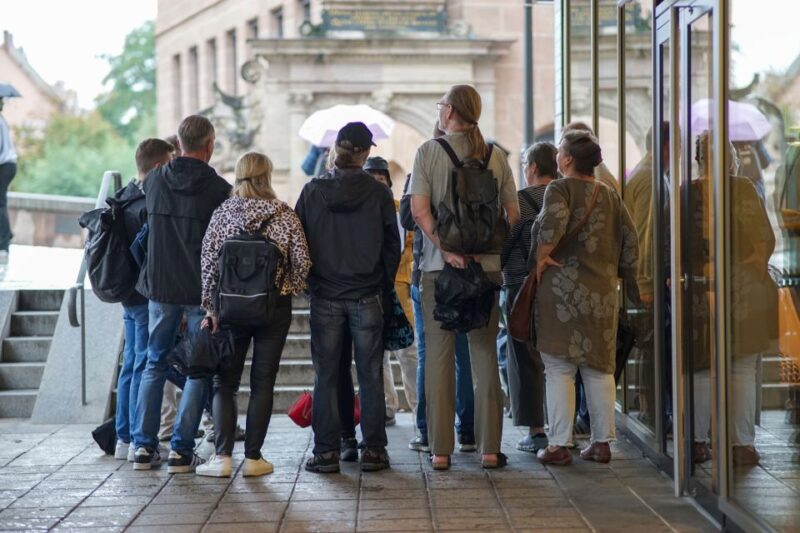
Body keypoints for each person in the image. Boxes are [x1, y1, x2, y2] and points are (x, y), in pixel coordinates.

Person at [410, 84, 520, 470]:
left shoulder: (428, 152)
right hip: (487, 269)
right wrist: (485, 251)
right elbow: (514, 214)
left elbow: (419, 211)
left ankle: (441, 452)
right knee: (485, 354)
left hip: (440, 270)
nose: (439, 110)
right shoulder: (496, 156)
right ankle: (490, 449)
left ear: (450, 111)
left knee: (439, 359)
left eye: (441, 104)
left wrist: (448, 247)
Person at [196, 152, 311, 477]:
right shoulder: (284, 214)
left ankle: (222, 458)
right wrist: (285, 287)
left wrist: (210, 307)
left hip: (229, 309)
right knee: (263, 383)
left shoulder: (222, 214)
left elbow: (207, 263)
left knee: (225, 382)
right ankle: (255, 459)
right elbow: (302, 262)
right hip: (272, 309)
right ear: (267, 175)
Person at [296, 122, 400, 473]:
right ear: (365, 153)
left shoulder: (312, 191)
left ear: (335, 151)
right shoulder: (379, 194)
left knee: (326, 373)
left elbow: (299, 244)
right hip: (367, 295)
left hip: (325, 294)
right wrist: (382, 285)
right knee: (370, 373)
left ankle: (327, 451)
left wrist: (312, 283)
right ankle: (374, 450)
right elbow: (391, 246)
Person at [131, 115, 232, 472]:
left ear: (178, 143)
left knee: (153, 361)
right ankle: (180, 450)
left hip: (159, 286)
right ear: (210, 145)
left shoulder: (156, 179)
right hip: (200, 290)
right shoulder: (219, 189)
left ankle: (143, 447)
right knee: (197, 369)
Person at [533, 130, 639, 466]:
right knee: (599, 368)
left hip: (562, 293)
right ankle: (602, 442)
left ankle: (559, 445)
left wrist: (542, 255)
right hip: (602, 293)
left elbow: (553, 223)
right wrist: (622, 277)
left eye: (561, 152)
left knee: (560, 368)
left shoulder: (559, 188)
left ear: (566, 159)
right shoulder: (609, 195)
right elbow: (631, 240)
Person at [690, 131, 774, 466]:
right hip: (743, 289)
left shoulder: (687, 192)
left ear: (698, 159)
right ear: (729, 157)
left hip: (697, 287)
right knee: (741, 368)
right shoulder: (743, 189)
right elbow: (763, 240)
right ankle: (742, 445)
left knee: (700, 367)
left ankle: (697, 442)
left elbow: (672, 243)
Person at [400, 173, 476, 453]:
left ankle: (426, 431)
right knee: (463, 356)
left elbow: (407, 219)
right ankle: (468, 432)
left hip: (428, 276)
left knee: (428, 356)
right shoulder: (471, 171)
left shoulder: (421, 174)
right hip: (467, 274)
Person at [113, 138, 175, 462]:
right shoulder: (148, 201)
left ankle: (123, 436)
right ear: (157, 167)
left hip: (125, 291)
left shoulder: (121, 198)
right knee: (141, 363)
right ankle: (136, 436)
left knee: (130, 364)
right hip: (143, 292)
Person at [501, 142, 558, 453]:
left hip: (522, 286)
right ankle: (563, 426)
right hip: (559, 286)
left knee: (525, 356)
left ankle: (536, 430)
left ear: (533, 168)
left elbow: (506, 242)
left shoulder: (522, 201)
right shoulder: (565, 198)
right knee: (558, 359)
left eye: (525, 164)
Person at [364, 156, 418, 424]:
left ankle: (418, 406)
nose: (377, 185)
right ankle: (387, 406)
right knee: (377, 352)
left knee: (408, 352)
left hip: (400, 288)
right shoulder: (360, 213)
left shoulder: (400, 212)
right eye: (371, 180)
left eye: (381, 180)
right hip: (371, 288)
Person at [0, 97, 17, 263]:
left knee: (0, 204)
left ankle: (3, 244)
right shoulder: (2, 119)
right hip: (8, 164)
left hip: (4, 165)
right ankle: (6, 236)